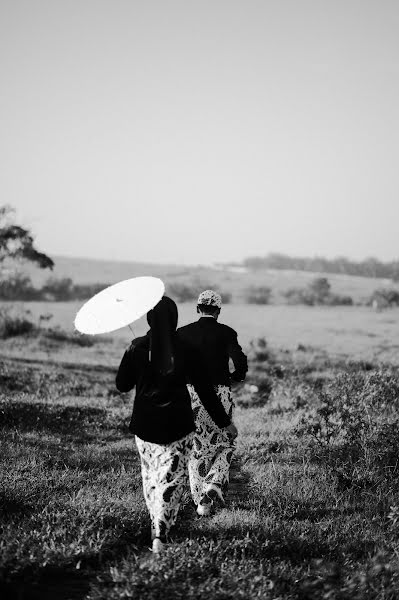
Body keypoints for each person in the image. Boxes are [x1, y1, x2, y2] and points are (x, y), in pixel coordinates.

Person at [115, 296, 237, 554]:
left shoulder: (137, 347)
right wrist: (224, 423)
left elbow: (122, 385)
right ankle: (161, 531)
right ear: (174, 318)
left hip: (144, 425)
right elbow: (204, 391)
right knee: (173, 477)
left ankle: (156, 525)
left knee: (151, 476)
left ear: (149, 318)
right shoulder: (186, 349)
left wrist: (132, 355)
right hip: (178, 424)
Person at [177, 290, 248, 516]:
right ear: (218, 310)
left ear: (198, 308)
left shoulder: (182, 333)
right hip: (221, 393)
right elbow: (240, 360)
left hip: (190, 395)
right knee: (225, 441)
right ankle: (214, 483)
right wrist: (236, 376)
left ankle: (201, 502)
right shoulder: (227, 333)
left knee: (197, 447)